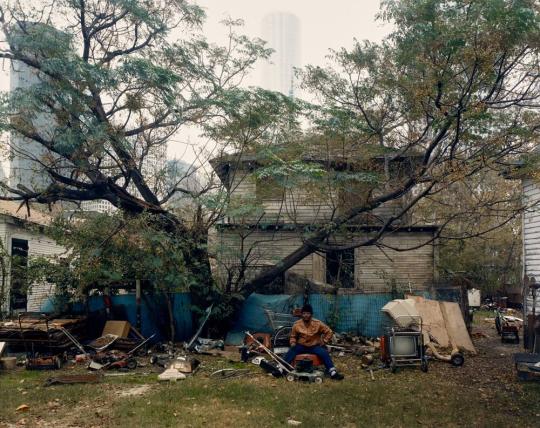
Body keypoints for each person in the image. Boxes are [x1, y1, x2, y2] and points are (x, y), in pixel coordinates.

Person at [284, 304, 344, 380]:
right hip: (301, 345)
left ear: (311, 314)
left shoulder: (318, 323)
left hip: (314, 346)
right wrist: (292, 342)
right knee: (291, 351)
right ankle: (282, 369)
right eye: (304, 313)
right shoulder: (297, 324)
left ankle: (333, 372)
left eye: (308, 313)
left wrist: (324, 341)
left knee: (324, 353)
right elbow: (293, 336)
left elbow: (329, 332)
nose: (306, 315)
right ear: (302, 314)